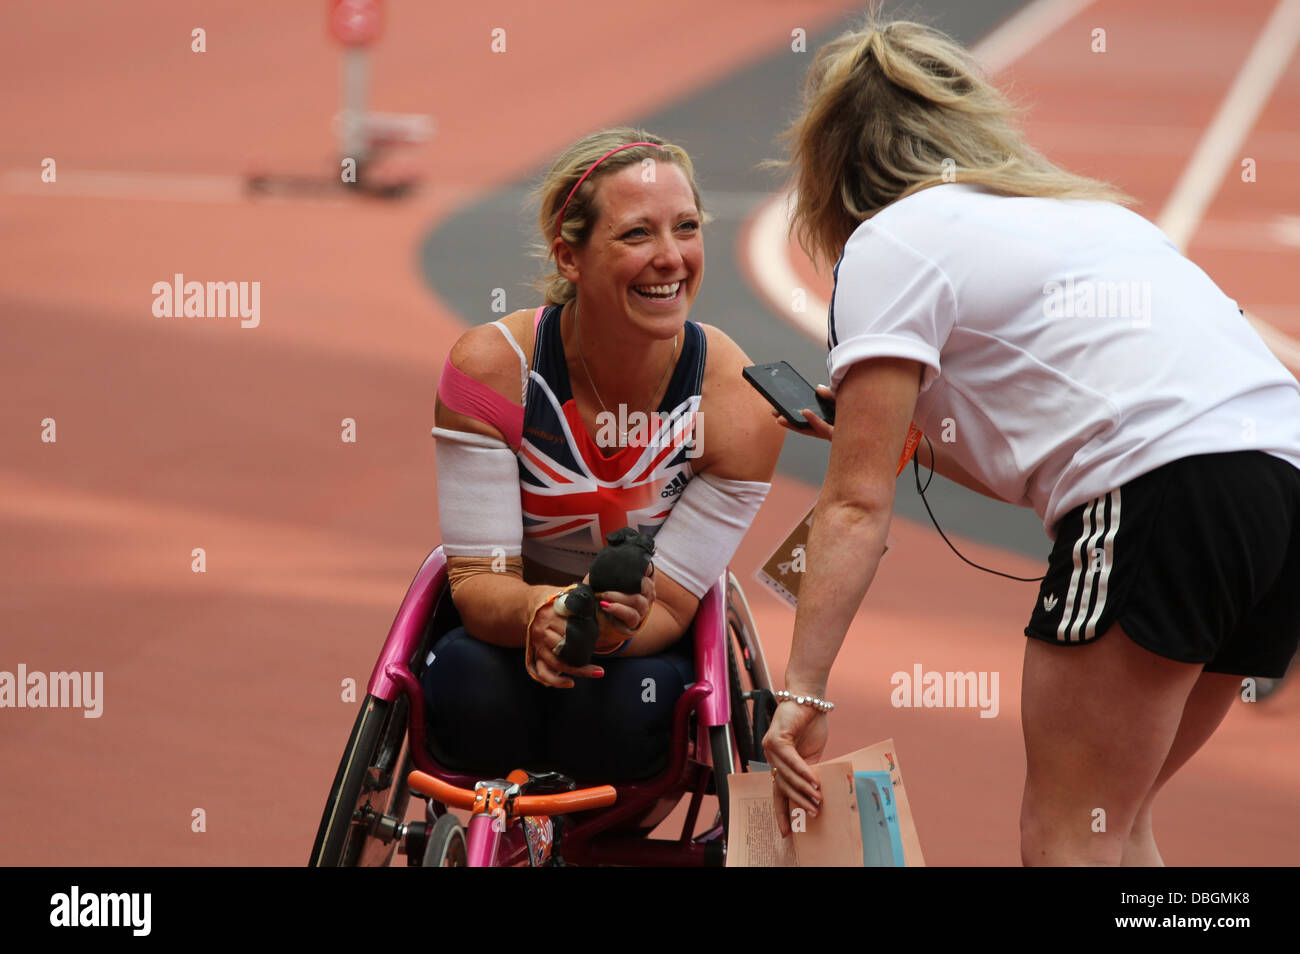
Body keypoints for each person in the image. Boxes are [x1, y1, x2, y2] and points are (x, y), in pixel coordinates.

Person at [761, 18, 1300, 865]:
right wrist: (904, 439)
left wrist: (804, 691)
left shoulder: (888, 241)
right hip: (1277, 488)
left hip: (1165, 491)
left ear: (833, 166)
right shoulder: (1088, 217)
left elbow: (856, 504)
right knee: (1114, 829)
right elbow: (1056, 439)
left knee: (1063, 842)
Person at [427, 128, 783, 781]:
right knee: (464, 684)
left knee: (627, 711)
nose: (673, 258)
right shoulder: (493, 371)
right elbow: (479, 585)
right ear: (570, 257)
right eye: (637, 234)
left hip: (645, 647)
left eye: (686, 227)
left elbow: (674, 607)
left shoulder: (736, 404)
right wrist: (543, 614)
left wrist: (603, 629)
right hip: (508, 625)